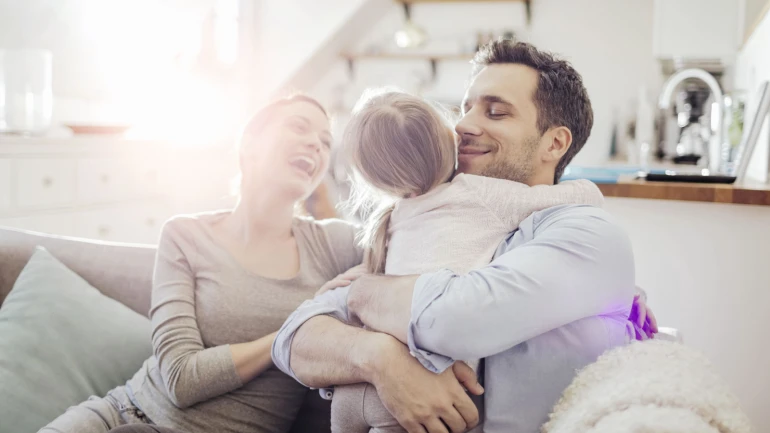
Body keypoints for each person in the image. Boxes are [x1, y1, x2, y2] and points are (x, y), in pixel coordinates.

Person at [271, 40, 658, 433]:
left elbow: (455, 319)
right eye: (465, 107)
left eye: (495, 112)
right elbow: (293, 339)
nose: (462, 125)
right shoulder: (435, 211)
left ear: (555, 143)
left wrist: (362, 294)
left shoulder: (588, 233)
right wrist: (379, 356)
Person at [39, 95, 364, 433]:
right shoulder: (185, 235)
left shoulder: (333, 245)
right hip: (116, 413)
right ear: (249, 144)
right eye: (299, 126)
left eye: (326, 142)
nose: (316, 144)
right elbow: (181, 380)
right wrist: (292, 333)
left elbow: (410, 234)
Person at [325, 89, 608, 433]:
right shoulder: (477, 193)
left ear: (372, 177)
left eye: (495, 112)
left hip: (354, 393)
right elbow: (585, 195)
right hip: (435, 383)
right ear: (448, 139)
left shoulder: (390, 219)